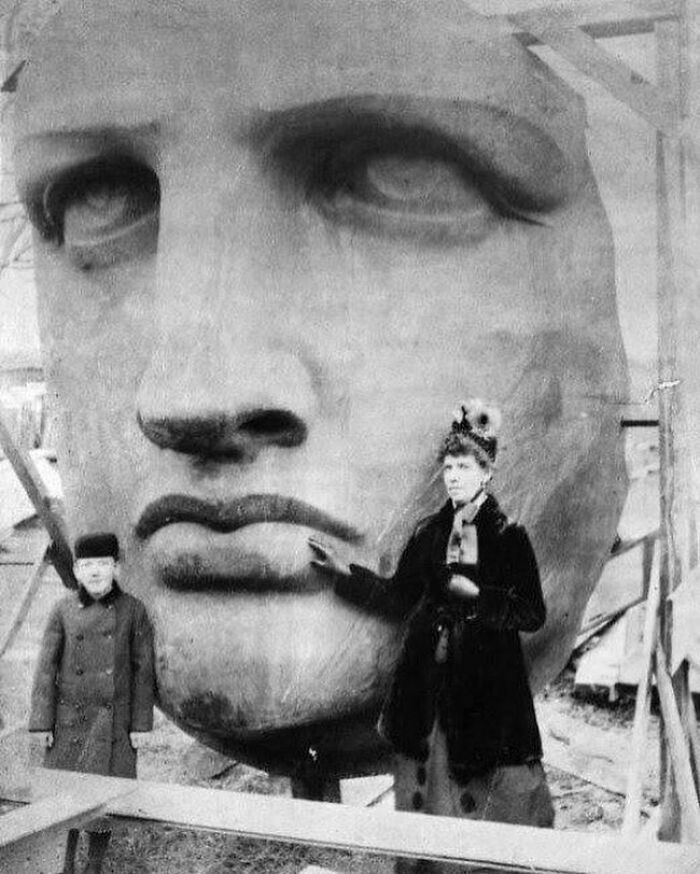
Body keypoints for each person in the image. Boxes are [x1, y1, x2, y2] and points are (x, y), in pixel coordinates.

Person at [13, 0, 628, 782]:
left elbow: (515, 608)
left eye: (399, 171)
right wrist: (353, 577)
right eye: (98, 197)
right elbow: (398, 586)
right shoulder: (93, 617)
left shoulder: (492, 542)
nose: (186, 399)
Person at [313, 399, 553, 871]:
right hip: (427, 692)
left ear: (487, 472)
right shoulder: (429, 532)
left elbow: (532, 612)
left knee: (485, 811)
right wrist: (345, 574)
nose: (454, 476)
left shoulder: (509, 536)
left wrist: (479, 597)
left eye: (464, 467)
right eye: (448, 467)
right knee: (427, 804)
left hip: (486, 693)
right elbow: (399, 595)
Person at [29, 533, 155, 874]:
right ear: (76, 570)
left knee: (105, 805)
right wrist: (42, 722)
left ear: (115, 567)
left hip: (113, 726)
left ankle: (94, 867)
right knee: (66, 800)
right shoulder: (62, 609)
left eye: (102, 564)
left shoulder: (133, 610)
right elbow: (45, 669)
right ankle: (67, 866)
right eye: (87, 565)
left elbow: (144, 674)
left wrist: (141, 726)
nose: (95, 572)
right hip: (69, 722)